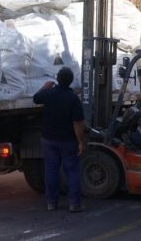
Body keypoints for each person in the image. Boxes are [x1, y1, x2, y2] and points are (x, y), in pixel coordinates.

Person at [33, 67, 86, 213]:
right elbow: (77, 123)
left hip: (49, 139)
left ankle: (51, 203)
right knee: (72, 171)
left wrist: (44, 87)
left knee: (51, 171)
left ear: (57, 78)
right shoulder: (73, 98)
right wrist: (81, 142)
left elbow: (35, 98)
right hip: (67, 141)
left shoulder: (49, 94)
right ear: (70, 81)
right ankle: (74, 204)